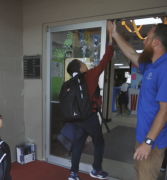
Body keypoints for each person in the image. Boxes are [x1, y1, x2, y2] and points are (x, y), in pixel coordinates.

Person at [108, 20, 167, 180]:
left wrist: (148, 142)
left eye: (147, 38)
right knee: (139, 173)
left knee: (146, 177)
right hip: (143, 135)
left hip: (153, 141)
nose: (143, 40)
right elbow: (131, 54)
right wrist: (115, 35)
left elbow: (166, 109)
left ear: (156, 42)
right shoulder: (151, 65)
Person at [66, 24, 114, 180]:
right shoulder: (90, 76)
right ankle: (97, 170)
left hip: (77, 118)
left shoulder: (70, 83)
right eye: (83, 64)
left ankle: (73, 174)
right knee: (99, 143)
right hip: (91, 117)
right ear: (80, 69)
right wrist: (110, 41)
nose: (85, 64)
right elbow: (105, 61)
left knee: (78, 145)